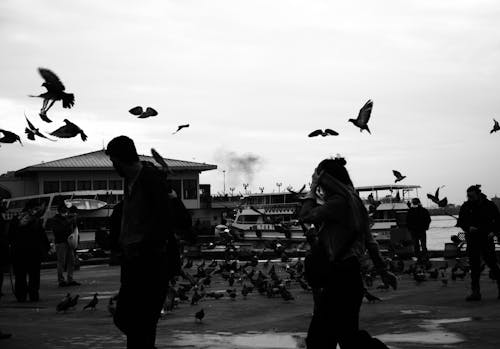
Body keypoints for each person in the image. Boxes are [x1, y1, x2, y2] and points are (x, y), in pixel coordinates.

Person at [300, 157, 396, 349]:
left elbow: (306, 215)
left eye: (319, 177)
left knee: (321, 340)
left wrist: (312, 188)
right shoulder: (355, 202)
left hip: (338, 278)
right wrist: (383, 271)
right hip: (351, 278)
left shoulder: (337, 203)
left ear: (325, 179)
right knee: (347, 337)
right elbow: (370, 241)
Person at [106, 136, 191, 349]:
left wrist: (149, 245)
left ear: (119, 159)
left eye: (113, 161)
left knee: (140, 323)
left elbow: (167, 219)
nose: (113, 166)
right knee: (130, 320)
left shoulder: (151, 179)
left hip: (150, 263)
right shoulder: (131, 180)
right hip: (133, 263)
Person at [457, 185, 500, 301]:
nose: (469, 198)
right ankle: (476, 292)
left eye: (471, 196)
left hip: (486, 238)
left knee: (492, 264)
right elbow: (461, 221)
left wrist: (493, 232)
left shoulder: (489, 205)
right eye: (468, 196)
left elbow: (498, 221)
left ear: (478, 194)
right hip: (472, 239)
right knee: (474, 267)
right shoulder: (466, 206)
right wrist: (468, 227)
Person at [8, 200, 50, 302]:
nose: (37, 211)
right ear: (31, 209)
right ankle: (32, 295)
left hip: (20, 253)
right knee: (33, 276)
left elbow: (10, 236)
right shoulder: (34, 221)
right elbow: (42, 237)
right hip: (31, 253)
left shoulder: (16, 220)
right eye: (36, 208)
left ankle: (22, 295)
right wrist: (46, 248)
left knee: (21, 276)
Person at [51, 204, 80, 287]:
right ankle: (61, 280)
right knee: (61, 262)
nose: (66, 212)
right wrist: (70, 220)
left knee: (71, 261)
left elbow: (74, 229)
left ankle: (70, 279)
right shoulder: (55, 219)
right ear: (60, 211)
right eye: (64, 210)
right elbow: (58, 230)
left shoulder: (67, 218)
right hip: (61, 242)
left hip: (69, 242)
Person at [406, 198, 431, 263]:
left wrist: (410, 228)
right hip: (421, 230)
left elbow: (407, 221)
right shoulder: (424, 210)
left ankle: (419, 259)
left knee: (416, 245)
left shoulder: (410, 211)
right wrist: (426, 227)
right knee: (423, 245)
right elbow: (428, 219)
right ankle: (425, 258)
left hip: (414, 231)